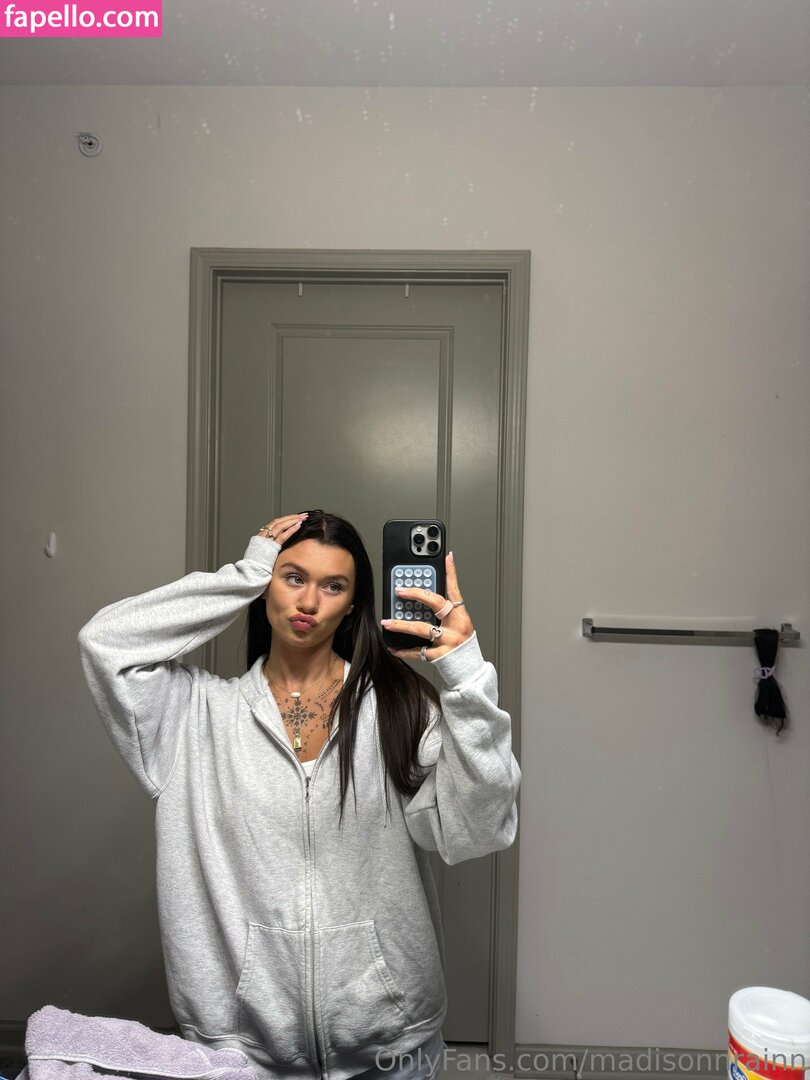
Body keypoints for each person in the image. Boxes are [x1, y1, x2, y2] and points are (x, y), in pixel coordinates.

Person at [77, 510, 521, 1080]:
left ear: (353, 605)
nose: (308, 601)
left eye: (333, 586)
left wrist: (467, 676)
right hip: (242, 1053)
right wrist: (244, 575)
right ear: (268, 583)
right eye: (292, 577)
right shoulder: (193, 715)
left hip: (391, 1047)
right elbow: (105, 642)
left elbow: (478, 830)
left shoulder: (401, 708)